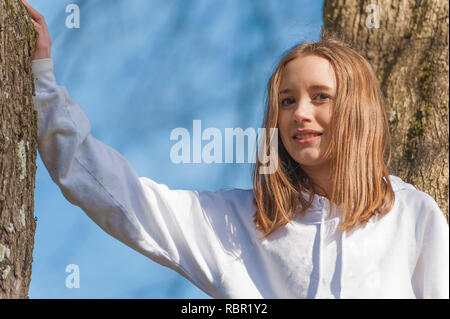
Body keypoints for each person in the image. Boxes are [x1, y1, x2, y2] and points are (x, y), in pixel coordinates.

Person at [23, 0, 449, 299]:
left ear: (358, 110)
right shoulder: (238, 224)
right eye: (287, 100)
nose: (300, 113)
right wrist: (42, 80)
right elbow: (118, 195)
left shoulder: (412, 217)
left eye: (320, 96)